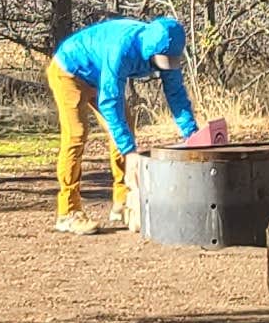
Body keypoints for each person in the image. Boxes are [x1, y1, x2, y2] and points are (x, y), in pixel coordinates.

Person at [46, 14, 199, 235]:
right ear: (150, 49)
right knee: (77, 134)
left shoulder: (167, 47)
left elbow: (175, 93)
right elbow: (109, 102)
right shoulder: (123, 49)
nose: (167, 65)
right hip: (69, 71)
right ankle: (68, 212)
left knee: (125, 127)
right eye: (162, 59)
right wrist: (129, 152)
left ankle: (123, 200)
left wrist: (192, 135)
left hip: (100, 76)